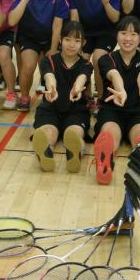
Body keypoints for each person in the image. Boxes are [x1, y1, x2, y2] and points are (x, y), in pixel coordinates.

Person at [94, 16, 140, 185]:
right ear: (117, 36)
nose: (128, 38)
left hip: (139, 111)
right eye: (123, 33)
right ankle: (104, 162)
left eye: (134, 34)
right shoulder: (106, 59)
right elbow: (113, 75)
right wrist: (121, 90)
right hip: (112, 110)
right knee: (109, 135)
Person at [8, 0, 69, 112]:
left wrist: (54, 49)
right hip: (29, 37)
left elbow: (57, 25)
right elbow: (12, 20)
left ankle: (51, 97)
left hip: (50, 39)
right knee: (28, 66)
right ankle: (24, 96)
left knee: (51, 70)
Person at [32, 21, 93, 173]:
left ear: (83, 43)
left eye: (77, 41)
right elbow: (48, 76)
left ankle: (75, 152)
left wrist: (77, 89)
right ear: (60, 40)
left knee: (74, 132)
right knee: (48, 131)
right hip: (51, 108)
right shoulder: (49, 60)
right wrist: (52, 87)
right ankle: (45, 151)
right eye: (67, 39)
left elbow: (82, 78)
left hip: (76, 110)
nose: (71, 44)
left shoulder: (86, 64)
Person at [66, 0, 120, 110]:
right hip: (85, 33)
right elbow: (74, 20)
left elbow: (115, 18)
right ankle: (87, 96)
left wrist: (106, 3)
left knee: (98, 58)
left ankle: (102, 98)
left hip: (106, 32)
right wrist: (78, 43)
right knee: (80, 58)